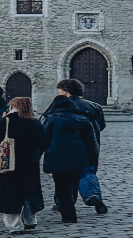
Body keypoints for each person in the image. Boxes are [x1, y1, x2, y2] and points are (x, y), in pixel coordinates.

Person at [40, 90, 99, 224]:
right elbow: (91, 142)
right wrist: (92, 158)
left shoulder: (50, 120)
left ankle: (68, 213)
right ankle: (69, 206)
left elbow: (44, 140)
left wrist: (41, 153)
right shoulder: (82, 120)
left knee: (61, 186)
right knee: (73, 183)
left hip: (57, 157)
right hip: (78, 157)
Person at [0, 96, 49, 234]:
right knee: (30, 191)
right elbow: (43, 143)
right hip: (30, 163)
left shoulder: (5, 122)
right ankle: (30, 220)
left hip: (9, 163)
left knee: (10, 193)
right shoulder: (35, 123)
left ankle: (14, 225)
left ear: (12, 107)